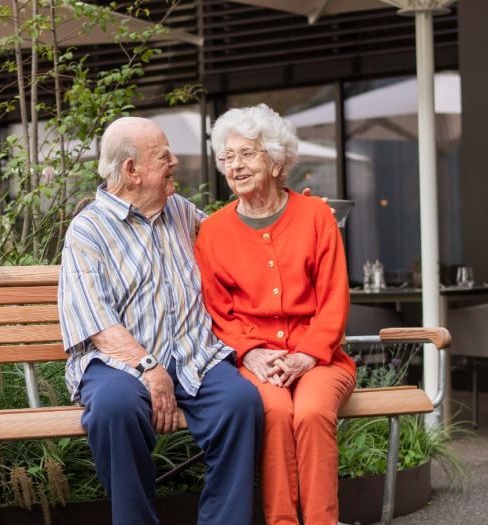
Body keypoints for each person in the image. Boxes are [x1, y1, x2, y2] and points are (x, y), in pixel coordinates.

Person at [58, 117, 262, 525]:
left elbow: (237, 239)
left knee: (242, 404)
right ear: (131, 171)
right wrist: (151, 370)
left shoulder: (182, 213)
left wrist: (283, 211)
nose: (175, 162)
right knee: (114, 409)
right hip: (119, 364)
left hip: (193, 357)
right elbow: (96, 323)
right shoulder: (89, 231)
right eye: (163, 156)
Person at [194, 104, 357, 525]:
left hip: (319, 357)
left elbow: (334, 298)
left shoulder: (316, 216)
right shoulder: (212, 231)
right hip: (256, 360)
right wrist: (249, 353)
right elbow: (218, 310)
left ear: (275, 158)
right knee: (275, 411)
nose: (235, 166)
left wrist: (305, 355)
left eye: (246, 154)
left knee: (311, 411)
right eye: (227, 158)